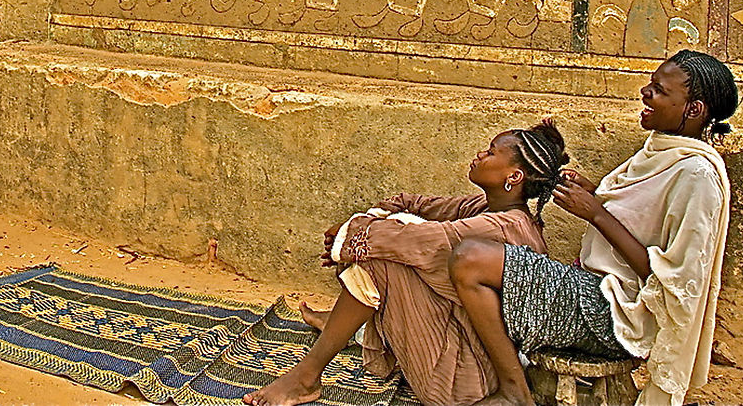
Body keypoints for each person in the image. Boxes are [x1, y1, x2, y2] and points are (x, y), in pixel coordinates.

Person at [448, 50, 738, 406]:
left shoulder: (697, 175)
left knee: (470, 258)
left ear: (693, 109)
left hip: (614, 314)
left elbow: (672, 285)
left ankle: (514, 392)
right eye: (650, 85)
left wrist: (597, 213)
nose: (646, 93)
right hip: (593, 289)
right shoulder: (663, 151)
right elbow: (640, 219)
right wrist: (594, 193)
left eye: (660, 91)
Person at [242, 120, 570, 406]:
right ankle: (340, 326)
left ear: (513, 175)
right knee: (381, 244)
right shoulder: (484, 207)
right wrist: (363, 225)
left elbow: (417, 241)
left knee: (381, 261)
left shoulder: (505, 228)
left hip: (469, 383)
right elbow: (411, 203)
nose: (481, 154)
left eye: (491, 152)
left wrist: (350, 235)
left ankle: (306, 377)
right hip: (458, 352)